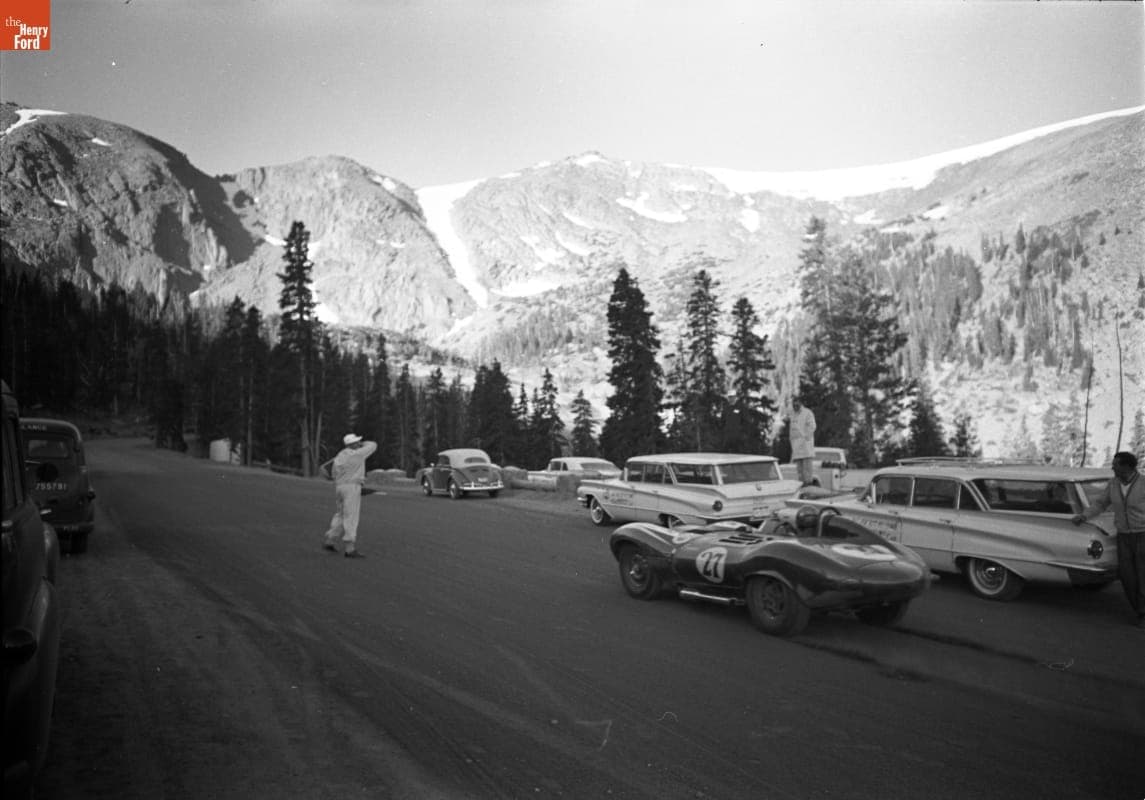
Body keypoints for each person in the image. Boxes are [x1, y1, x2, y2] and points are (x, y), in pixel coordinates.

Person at [1073, 451, 1145, 628]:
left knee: (1143, 575)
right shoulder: (1113, 484)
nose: (1112, 467)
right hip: (1123, 536)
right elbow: (1101, 503)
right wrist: (1084, 516)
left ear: (1127, 467)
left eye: (1116, 464)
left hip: (1143, 535)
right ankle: (1139, 609)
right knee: (1127, 576)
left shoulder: (1143, 483)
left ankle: (1143, 614)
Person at [321, 433, 378, 558]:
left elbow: (333, 474)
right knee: (351, 516)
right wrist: (362, 444)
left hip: (339, 486)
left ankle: (330, 539)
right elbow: (373, 445)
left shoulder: (339, 456)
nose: (359, 443)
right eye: (357, 441)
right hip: (351, 487)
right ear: (352, 444)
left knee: (341, 514)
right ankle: (349, 548)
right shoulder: (357, 454)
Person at [789, 396, 817, 486]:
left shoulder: (807, 413)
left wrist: (806, 437)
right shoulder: (792, 414)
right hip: (796, 448)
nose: (795, 405)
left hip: (806, 447)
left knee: (807, 471)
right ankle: (802, 487)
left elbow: (812, 426)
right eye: (793, 403)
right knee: (800, 471)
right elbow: (792, 430)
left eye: (797, 403)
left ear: (800, 403)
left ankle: (808, 485)